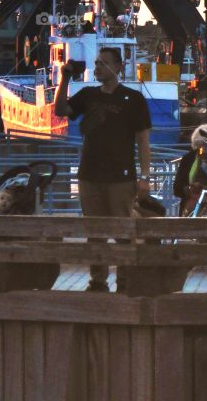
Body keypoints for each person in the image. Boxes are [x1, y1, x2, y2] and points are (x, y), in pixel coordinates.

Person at [54, 45, 152, 292]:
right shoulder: (88, 95)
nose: (96, 67)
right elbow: (60, 110)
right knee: (95, 232)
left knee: (122, 231)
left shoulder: (133, 99)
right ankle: (98, 280)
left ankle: (126, 280)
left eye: (102, 63)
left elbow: (143, 140)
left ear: (117, 67)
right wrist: (65, 78)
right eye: (96, 63)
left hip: (121, 176)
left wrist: (145, 177)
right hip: (89, 174)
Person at [173, 124, 207, 217]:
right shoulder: (188, 159)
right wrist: (189, 189)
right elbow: (177, 188)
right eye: (200, 147)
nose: (203, 150)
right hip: (191, 206)